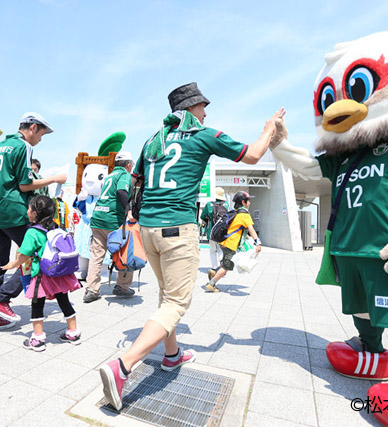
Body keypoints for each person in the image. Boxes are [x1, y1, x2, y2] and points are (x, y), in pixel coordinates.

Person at [98, 82, 285, 410]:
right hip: (178, 229)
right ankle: (122, 366)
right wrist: (269, 128)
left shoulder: (152, 140)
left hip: (149, 230)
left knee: (165, 295)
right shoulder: (204, 135)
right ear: (190, 110)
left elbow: (136, 181)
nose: (205, 112)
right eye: (202, 106)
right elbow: (254, 155)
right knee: (176, 304)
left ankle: (172, 355)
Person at [0, 112, 67, 333]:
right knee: (36, 255)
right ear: (33, 127)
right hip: (14, 210)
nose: (40, 139)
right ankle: (1, 300)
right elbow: (25, 184)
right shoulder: (24, 146)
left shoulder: (1, 145)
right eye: (42, 134)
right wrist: (54, 178)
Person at [1, 195, 82, 350]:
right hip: (59, 273)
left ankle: (38, 339)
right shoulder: (56, 227)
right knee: (63, 300)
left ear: (35, 213)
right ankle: (73, 332)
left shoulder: (33, 233)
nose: (27, 211)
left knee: (37, 304)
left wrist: (14, 264)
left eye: (29, 208)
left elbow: (24, 254)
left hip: (42, 275)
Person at [83, 151, 136, 303]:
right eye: (131, 165)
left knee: (96, 255)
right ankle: (122, 286)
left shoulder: (109, 175)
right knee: (124, 252)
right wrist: (129, 209)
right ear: (127, 165)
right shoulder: (124, 175)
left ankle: (92, 290)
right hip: (112, 220)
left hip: (97, 218)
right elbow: (121, 191)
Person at [204, 191, 262, 292]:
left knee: (225, 263)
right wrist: (258, 242)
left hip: (225, 242)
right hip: (230, 245)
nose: (250, 203)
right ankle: (211, 284)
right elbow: (251, 229)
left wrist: (246, 236)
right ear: (243, 202)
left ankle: (214, 272)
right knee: (226, 267)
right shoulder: (244, 215)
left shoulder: (235, 212)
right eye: (248, 201)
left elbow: (236, 228)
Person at [200, 187, 228, 275]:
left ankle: (214, 268)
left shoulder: (209, 204)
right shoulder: (226, 204)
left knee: (212, 250)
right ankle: (221, 268)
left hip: (212, 231)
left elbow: (202, 216)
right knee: (220, 250)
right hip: (222, 231)